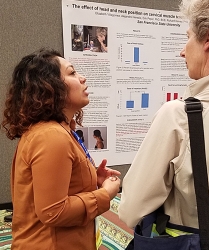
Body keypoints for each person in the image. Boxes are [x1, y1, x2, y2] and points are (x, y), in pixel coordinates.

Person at [118, 0, 209, 249]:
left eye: (188, 37)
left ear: (208, 37)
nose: (182, 51)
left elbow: (130, 210)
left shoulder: (181, 116)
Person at [1, 48, 121, 250]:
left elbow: (61, 188)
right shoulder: (51, 136)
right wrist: (105, 195)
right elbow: (53, 211)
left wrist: (92, 178)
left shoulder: (58, 131)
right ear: (50, 86)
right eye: (72, 73)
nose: (82, 78)